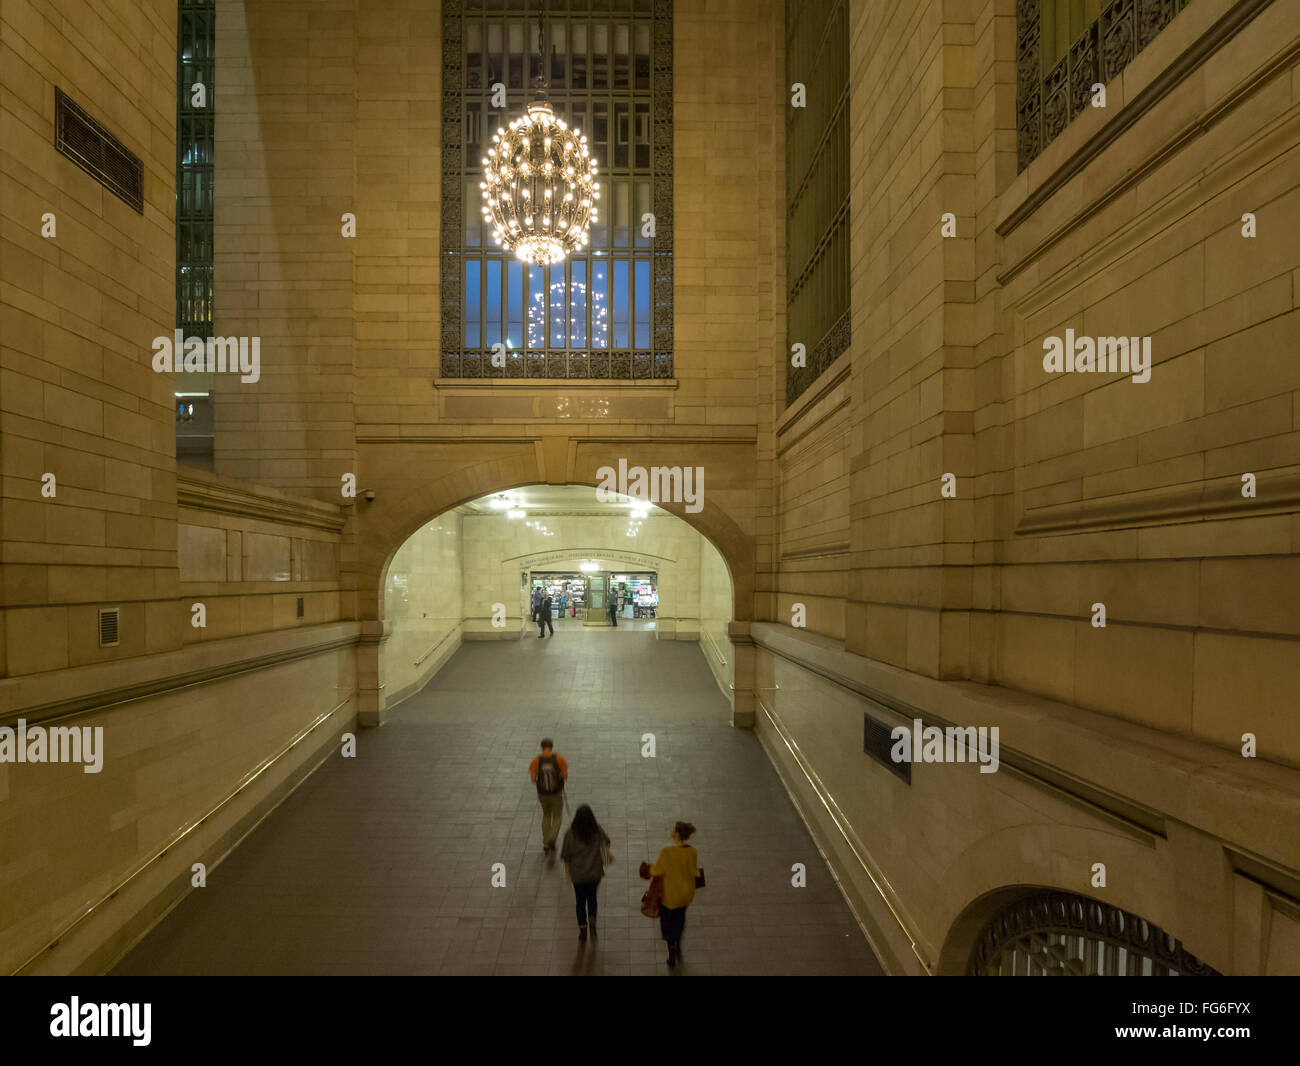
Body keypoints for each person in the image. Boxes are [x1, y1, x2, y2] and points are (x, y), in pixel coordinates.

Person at [645, 821, 699, 967]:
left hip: (669, 896)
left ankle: (671, 952)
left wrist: (648, 869)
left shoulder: (667, 852)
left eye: (674, 830)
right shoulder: (693, 851)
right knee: (679, 921)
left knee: (667, 924)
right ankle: (678, 942)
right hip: (685, 895)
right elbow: (694, 871)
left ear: (676, 834)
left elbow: (657, 871)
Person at [560, 804, 611, 942]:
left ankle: (583, 929)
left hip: (578, 876)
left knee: (580, 902)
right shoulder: (596, 830)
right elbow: (607, 841)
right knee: (592, 898)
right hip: (594, 874)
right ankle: (593, 919)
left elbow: (565, 855)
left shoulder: (570, 834)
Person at [528, 739, 568, 852]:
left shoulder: (536, 761)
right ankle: (552, 838)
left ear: (541, 747)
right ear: (552, 747)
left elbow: (532, 779)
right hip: (556, 793)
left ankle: (545, 843)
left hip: (543, 794)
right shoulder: (559, 759)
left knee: (546, 815)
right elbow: (565, 776)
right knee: (557, 817)